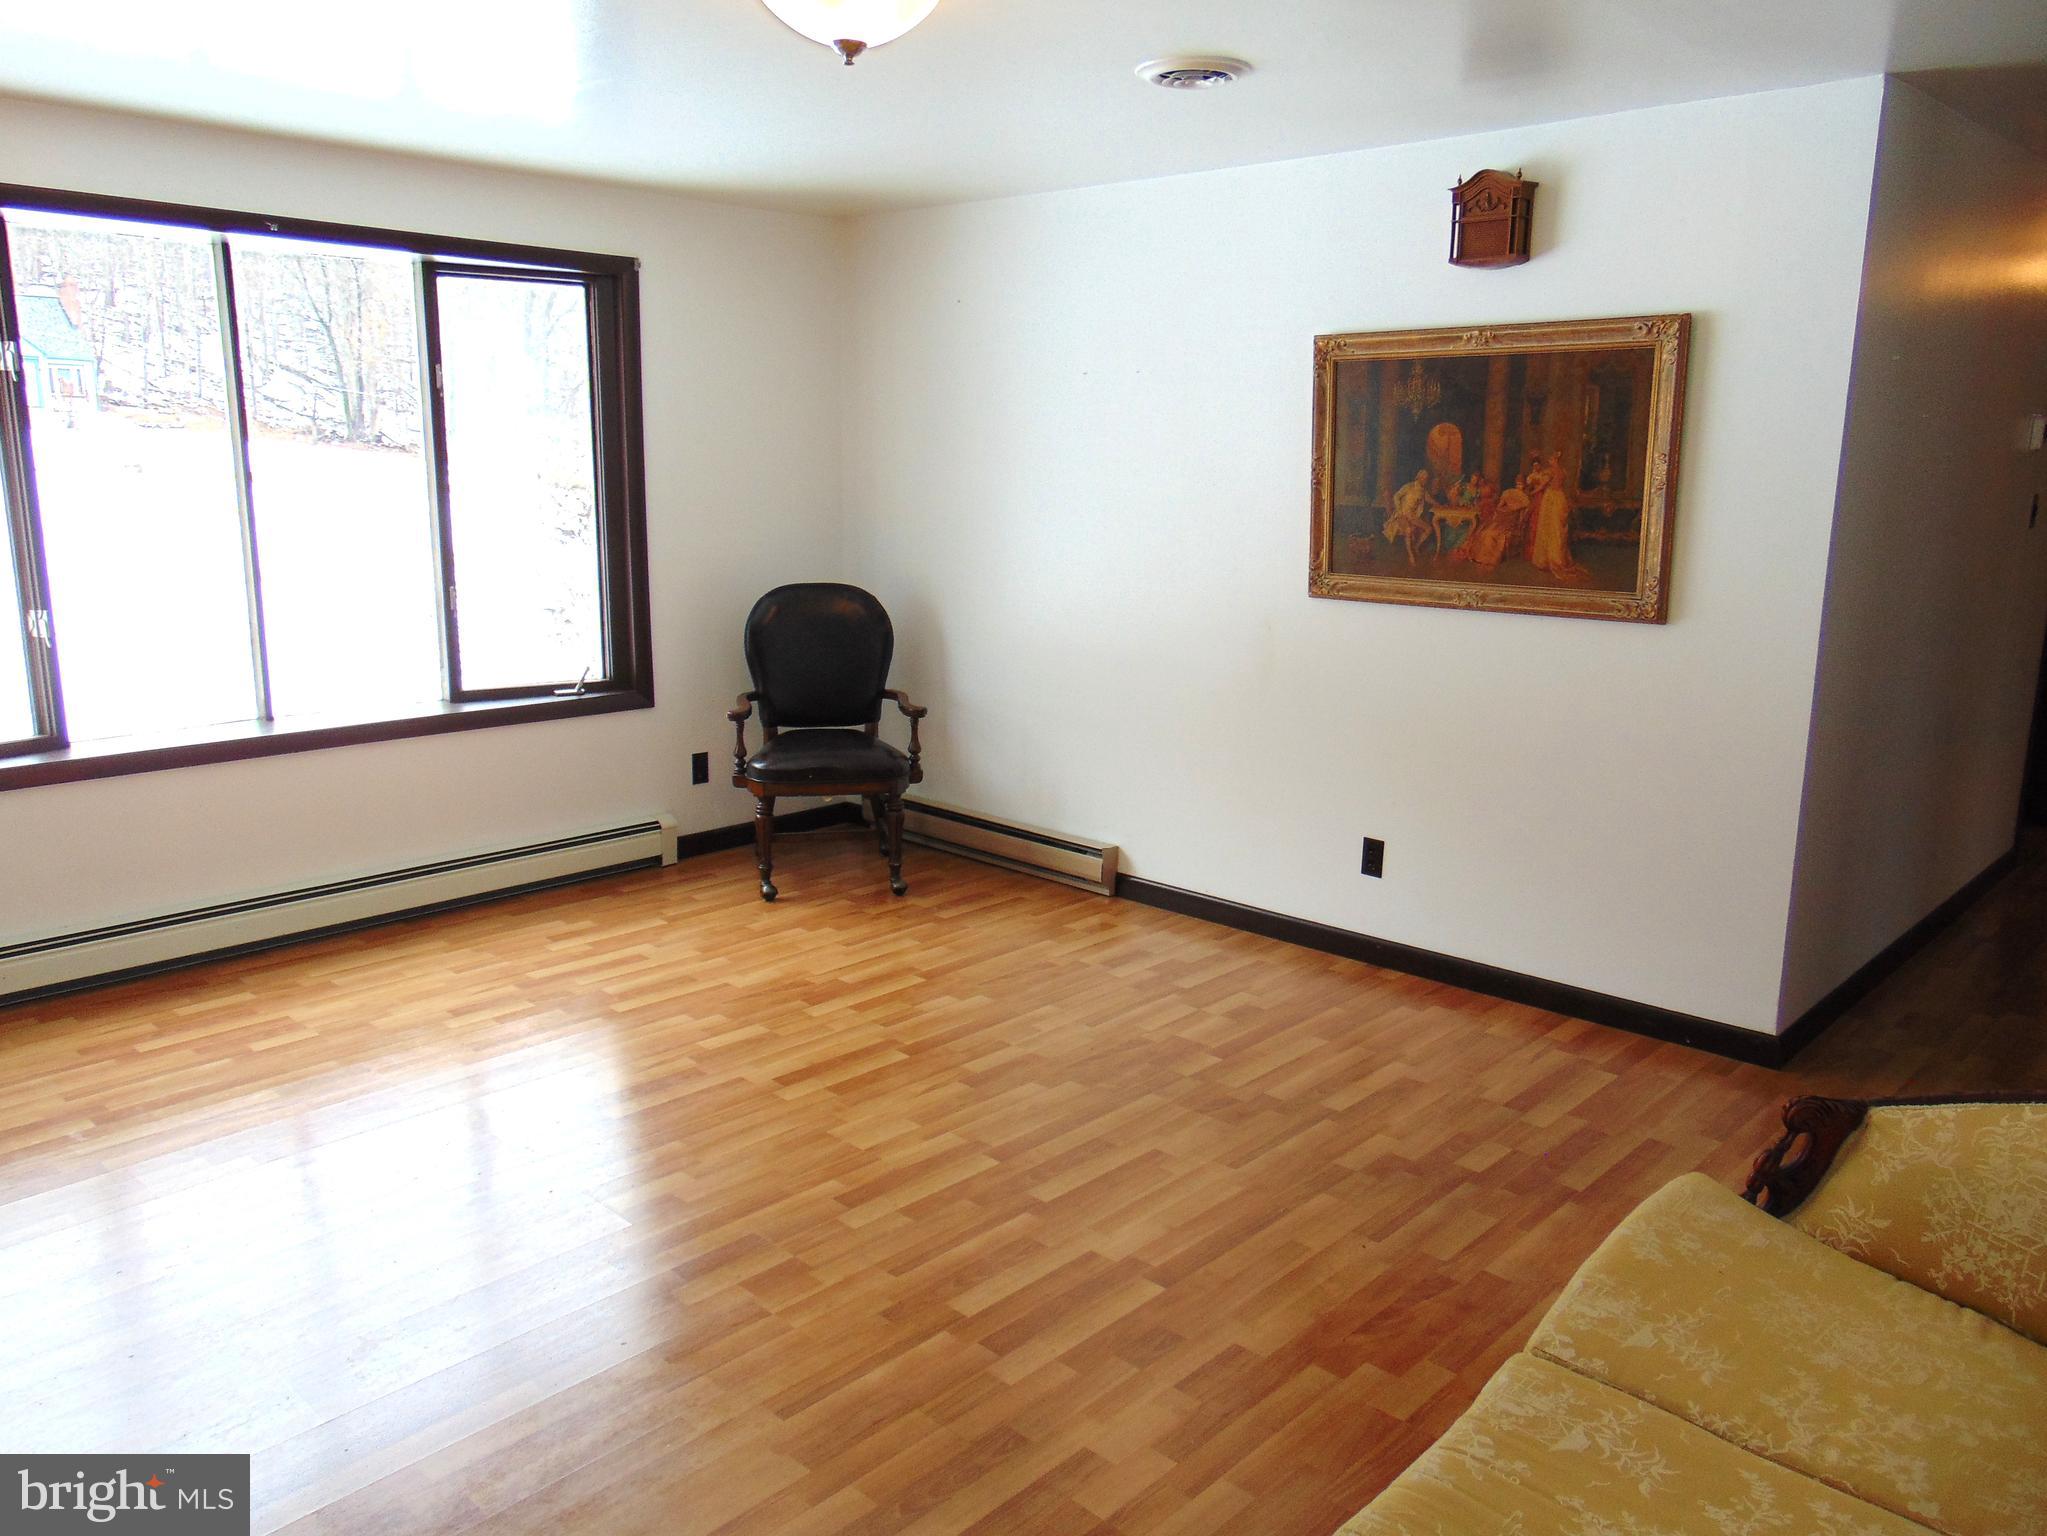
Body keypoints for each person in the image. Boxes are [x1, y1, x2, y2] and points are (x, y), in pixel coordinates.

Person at [1525, 451, 1587, 578]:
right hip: (1560, 497)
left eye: (1550, 460)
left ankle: (1549, 560)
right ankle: (1559, 558)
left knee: (1549, 528)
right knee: (1558, 529)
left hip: (1551, 499)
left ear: (1554, 460)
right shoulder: (1563, 471)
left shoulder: (1550, 471)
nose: (1549, 462)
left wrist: (1531, 493)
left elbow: (1542, 486)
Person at [1383, 468, 1433, 567]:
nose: (1424, 480)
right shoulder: (1409, 486)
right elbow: (1396, 496)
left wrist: (1440, 505)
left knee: (1429, 529)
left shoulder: (1423, 491)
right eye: (1423, 477)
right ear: (1418, 477)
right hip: (1402, 514)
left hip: (1413, 516)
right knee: (1409, 530)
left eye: (1426, 478)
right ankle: (1411, 555)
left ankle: (1416, 546)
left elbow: (1430, 500)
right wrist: (1399, 510)